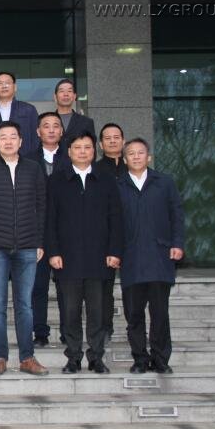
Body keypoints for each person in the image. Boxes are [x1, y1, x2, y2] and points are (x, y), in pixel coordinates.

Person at [0, 121, 48, 376]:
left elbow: (42, 207)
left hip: (27, 246)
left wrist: (39, 242)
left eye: (12, 136)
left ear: (21, 141)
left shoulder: (34, 169)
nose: (8, 141)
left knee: (25, 305)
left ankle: (27, 357)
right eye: (3, 137)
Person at [46, 131, 123, 374]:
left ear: (94, 150)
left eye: (87, 147)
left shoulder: (106, 180)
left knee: (97, 312)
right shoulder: (57, 181)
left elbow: (116, 217)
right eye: (77, 147)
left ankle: (96, 357)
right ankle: (73, 357)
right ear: (69, 152)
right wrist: (53, 252)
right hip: (67, 259)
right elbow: (49, 219)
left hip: (99, 258)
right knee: (70, 312)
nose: (82, 151)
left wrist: (115, 250)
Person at [117, 138, 185, 374]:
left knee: (160, 314)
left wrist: (177, 243)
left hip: (159, 257)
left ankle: (160, 359)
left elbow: (177, 215)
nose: (136, 157)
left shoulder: (164, 183)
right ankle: (140, 359)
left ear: (149, 157)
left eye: (140, 153)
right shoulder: (118, 185)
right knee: (134, 314)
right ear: (125, 159)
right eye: (131, 153)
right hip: (131, 258)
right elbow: (111, 223)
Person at [25, 112, 71, 348]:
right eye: (46, 126)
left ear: (62, 131)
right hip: (37, 232)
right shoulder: (27, 160)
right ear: (38, 131)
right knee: (38, 286)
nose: (51, 130)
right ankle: (40, 332)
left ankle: (68, 332)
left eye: (56, 126)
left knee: (66, 287)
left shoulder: (72, 157)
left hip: (66, 232)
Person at [94, 122, 127, 347]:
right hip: (105, 237)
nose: (112, 141)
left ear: (123, 141)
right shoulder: (95, 170)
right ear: (100, 144)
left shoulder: (133, 167)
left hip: (134, 235)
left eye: (116, 137)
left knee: (135, 288)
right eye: (107, 138)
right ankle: (105, 327)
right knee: (104, 287)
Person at [0, 72, 40, 156]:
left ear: (15, 87)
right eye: (0, 84)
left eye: (7, 83)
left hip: (24, 159)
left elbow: (36, 138)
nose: (4, 86)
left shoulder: (28, 110)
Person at [53, 79, 96, 145]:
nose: (66, 94)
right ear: (55, 97)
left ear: (74, 96)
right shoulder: (46, 121)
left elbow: (91, 148)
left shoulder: (86, 122)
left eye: (69, 91)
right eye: (62, 91)